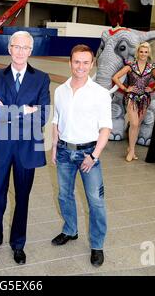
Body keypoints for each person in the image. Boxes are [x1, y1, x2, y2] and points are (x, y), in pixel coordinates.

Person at [0, 31, 50, 265]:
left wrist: (7, 112)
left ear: (31, 51)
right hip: (0, 146)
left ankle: (18, 243)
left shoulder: (41, 78)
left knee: (22, 198)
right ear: (9, 48)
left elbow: (42, 116)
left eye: (25, 48)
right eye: (16, 47)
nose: (20, 52)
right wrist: (23, 111)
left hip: (26, 149)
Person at [51, 44, 112, 267]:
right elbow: (56, 120)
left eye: (86, 62)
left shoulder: (100, 94)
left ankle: (97, 245)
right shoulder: (60, 90)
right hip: (65, 152)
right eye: (77, 62)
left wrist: (94, 156)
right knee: (64, 195)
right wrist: (54, 146)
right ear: (70, 62)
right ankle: (70, 230)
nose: (81, 67)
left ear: (92, 64)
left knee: (95, 202)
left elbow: (105, 128)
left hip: (89, 153)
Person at [112, 42, 155, 162]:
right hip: (131, 97)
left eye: (145, 52)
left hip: (145, 99)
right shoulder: (130, 66)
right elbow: (115, 77)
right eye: (141, 51)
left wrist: (153, 88)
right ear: (137, 53)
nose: (143, 54)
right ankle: (132, 150)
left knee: (137, 124)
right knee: (134, 124)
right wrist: (125, 88)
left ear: (148, 53)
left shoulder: (151, 67)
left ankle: (130, 148)